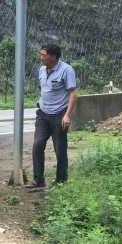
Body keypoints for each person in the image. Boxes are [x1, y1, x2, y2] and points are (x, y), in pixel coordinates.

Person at [27, 44, 77, 190]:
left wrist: (67, 115)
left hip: (59, 115)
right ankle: (38, 180)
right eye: (41, 54)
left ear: (53, 57)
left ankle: (61, 181)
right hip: (43, 114)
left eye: (44, 55)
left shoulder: (66, 70)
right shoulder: (41, 70)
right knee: (38, 144)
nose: (41, 57)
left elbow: (73, 93)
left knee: (60, 148)